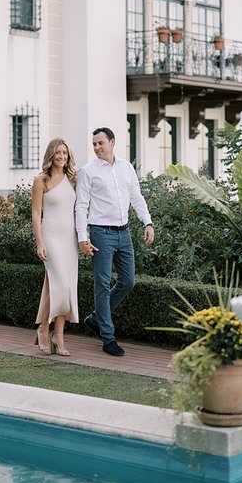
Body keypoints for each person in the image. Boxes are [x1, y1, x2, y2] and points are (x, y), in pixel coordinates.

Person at [74, 127, 154, 357]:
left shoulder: (126, 168)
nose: (97, 147)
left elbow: (137, 197)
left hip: (124, 233)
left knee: (128, 281)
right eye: (94, 144)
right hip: (101, 233)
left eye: (101, 143)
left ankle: (97, 318)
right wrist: (82, 237)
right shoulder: (88, 172)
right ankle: (108, 337)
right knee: (101, 284)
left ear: (112, 142)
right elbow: (81, 205)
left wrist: (147, 223)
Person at [30, 138, 79, 356]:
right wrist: (40, 242)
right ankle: (43, 330)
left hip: (70, 239)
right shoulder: (41, 180)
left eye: (65, 153)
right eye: (58, 153)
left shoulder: (73, 179)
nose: (61, 156)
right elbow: (35, 213)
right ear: (51, 155)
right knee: (60, 286)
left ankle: (57, 335)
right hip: (51, 237)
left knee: (63, 287)